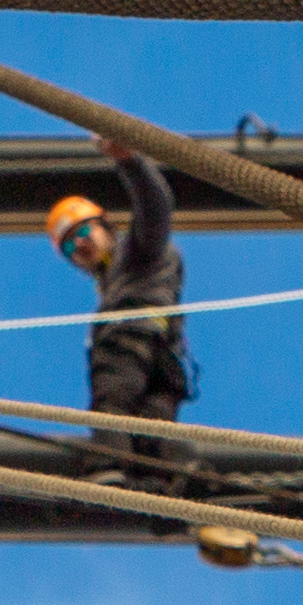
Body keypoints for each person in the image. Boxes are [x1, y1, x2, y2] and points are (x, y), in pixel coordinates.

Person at [48, 146, 188, 446]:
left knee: (111, 412)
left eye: (83, 231)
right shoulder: (117, 277)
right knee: (152, 441)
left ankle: (109, 474)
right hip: (164, 359)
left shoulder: (137, 251)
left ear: (106, 224)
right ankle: (152, 485)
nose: (80, 244)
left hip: (130, 345)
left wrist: (130, 161)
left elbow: (155, 207)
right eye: (70, 246)